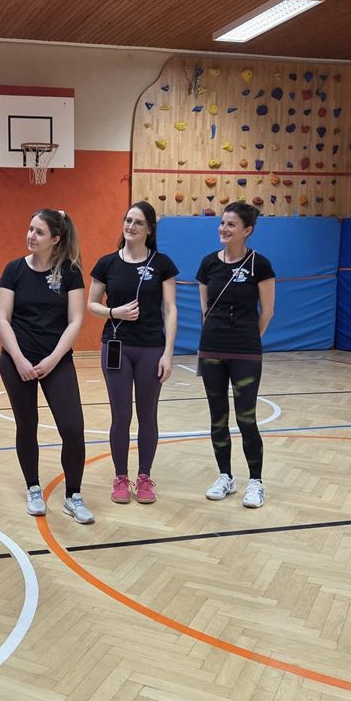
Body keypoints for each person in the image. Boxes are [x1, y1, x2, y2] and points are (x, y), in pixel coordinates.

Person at [0, 209, 91, 523]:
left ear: (56, 239)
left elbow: (76, 320)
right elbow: (1, 318)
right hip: (17, 361)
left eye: (38, 232)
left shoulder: (70, 272)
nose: (30, 236)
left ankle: (73, 496)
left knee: (73, 429)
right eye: (30, 228)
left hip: (57, 361)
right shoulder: (13, 270)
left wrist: (52, 359)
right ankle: (33, 487)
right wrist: (20, 359)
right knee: (27, 425)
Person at [88, 201, 178, 505]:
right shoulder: (107, 263)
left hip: (152, 348)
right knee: (121, 414)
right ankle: (121, 477)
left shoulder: (162, 263)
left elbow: (170, 308)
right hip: (117, 348)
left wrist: (168, 353)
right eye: (128, 220)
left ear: (149, 229)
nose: (131, 226)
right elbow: (92, 304)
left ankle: (144, 476)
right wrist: (115, 312)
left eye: (138, 222)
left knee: (147, 414)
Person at [196, 201, 275, 508]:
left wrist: (248, 340)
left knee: (246, 418)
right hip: (212, 348)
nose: (223, 229)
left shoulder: (260, 264)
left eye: (231, 224)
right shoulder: (208, 264)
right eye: (222, 223)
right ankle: (225, 476)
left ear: (247, 230)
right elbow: (205, 309)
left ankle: (255, 481)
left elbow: (267, 312)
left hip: (246, 352)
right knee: (218, 417)